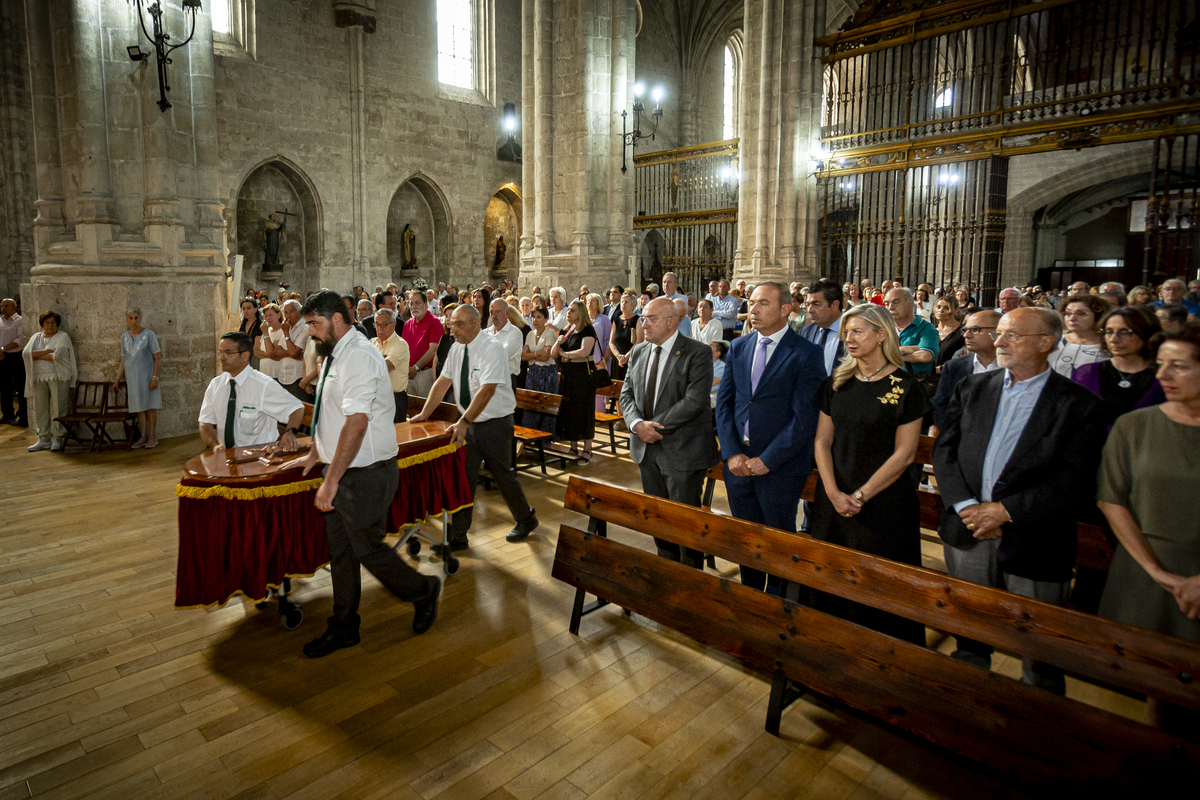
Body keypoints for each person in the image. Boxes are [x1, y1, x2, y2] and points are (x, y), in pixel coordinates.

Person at [932, 308, 1106, 694]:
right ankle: (967, 701)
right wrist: (965, 507)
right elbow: (945, 452)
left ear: (1046, 343)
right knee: (970, 632)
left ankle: (1037, 721)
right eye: (1000, 334)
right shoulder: (975, 387)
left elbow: (1075, 482)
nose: (999, 342)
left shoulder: (1078, 404)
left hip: (1036, 539)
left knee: (1039, 646)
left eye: (1012, 336)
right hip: (968, 529)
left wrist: (1004, 511)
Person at [293, 291, 441, 657]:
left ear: (337, 319)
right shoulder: (336, 351)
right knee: (342, 552)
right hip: (345, 467)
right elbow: (331, 412)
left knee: (366, 549)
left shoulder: (357, 355)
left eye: (315, 324)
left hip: (366, 472)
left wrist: (330, 480)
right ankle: (344, 626)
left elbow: (357, 423)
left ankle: (423, 590)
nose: (311, 332)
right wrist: (316, 451)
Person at [809, 304, 931, 645]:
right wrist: (833, 492)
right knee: (830, 578)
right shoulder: (837, 382)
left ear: (881, 335)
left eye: (858, 331)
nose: (849, 339)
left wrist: (861, 495)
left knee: (878, 587)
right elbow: (822, 440)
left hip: (883, 502)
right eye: (846, 332)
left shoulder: (905, 386)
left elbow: (904, 454)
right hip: (833, 496)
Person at [714, 282, 826, 595]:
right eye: (752, 302)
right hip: (739, 464)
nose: (754, 309)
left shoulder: (806, 353)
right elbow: (726, 405)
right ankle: (750, 596)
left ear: (785, 310)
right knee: (746, 540)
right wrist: (732, 453)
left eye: (764, 303)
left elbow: (804, 418)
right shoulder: (739, 346)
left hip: (780, 468)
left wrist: (768, 460)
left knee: (777, 541)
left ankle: (776, 602)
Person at [1096, 324, 1200, 645]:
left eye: (1178, 366)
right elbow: (1110, 499)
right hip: (1141, 566)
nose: (1162, 376)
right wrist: (1154, 570)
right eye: (1160, 365)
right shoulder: (1135, 425)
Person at [410, 304, 540, 549]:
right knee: (464, 479)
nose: (453, 330)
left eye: (459, 324)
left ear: (474, 323)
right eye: (451, 325)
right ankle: (458, 536)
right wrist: (424, 413)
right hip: (468, 424)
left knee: (502, 475)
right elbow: (442, 382)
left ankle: (526, 518)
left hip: (495, 424)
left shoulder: (493, 349)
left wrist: (463, 421)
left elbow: (487, 390)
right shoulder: (458, 350)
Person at [620, 297, 720, 567]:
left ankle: (690, 581)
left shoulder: (696, 352)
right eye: (643, 318)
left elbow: (694, 401)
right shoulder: (640, 351)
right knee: (657, 519)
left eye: (651, 318)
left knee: (685, 524)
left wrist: (654, 427)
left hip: (683, 451)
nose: (644, 323)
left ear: (672, 322)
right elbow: (626, 394)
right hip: (645, 448)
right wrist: (637, 425)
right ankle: (667, 573)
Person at [198, 332, 304, 452]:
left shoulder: (263, 385)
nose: (222, 357)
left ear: (245, 356)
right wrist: (216, 446)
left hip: (258, 458)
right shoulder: (216, 385)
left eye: (228, 353)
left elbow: (296, 407)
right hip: (227, 457)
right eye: (220, 352)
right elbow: (205, 423)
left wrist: (290, 432)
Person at [1070, 305, 1164, 428]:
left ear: (1146, 334)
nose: (1113, 339)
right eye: (1109, 332)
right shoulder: (1087, 373)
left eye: (1125, 333)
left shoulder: (1164, 375)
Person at [930, 310, 1001, 435]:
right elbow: (941, 407)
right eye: (965, 330)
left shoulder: (1015, 370)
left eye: (975, 330)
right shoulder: (953, 368)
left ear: (997, 332)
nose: (966, 335)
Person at [550, 300, 598, 463]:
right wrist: (558, 342)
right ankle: (573, 446)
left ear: (581, 313)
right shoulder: (566, 330)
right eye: (568, 311)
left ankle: (587, 449)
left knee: (584, 410)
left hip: (583, 376)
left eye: (572, 311)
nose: (568, 313)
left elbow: (584, 351)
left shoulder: (587, 330)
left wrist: (566, 354)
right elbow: (553, 354)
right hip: (568, 375)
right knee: (569, 411)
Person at [22, 311, 77, 452]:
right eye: (47, 322)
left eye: (53, 322)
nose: (50, 325)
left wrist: (36, 355)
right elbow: (26, 354)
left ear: (57, 324)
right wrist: (46, 351)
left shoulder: (62, 336)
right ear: (42, 324)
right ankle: (43, 438)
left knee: (59, 407)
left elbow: (57, 355)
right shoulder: (36, 337)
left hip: (58, 376)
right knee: (41, 407)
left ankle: (57, 438)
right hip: (39, 376)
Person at [112, 309, 162, 449]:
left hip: (147, 378)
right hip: (133, 379)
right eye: (130, 318)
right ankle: (143, 436)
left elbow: (157, 357)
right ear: (127, 320)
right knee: (140, 407)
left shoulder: (149, 335)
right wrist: (117, 379)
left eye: (136, 318)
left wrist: (154, 378)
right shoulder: (124, 337)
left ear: (140, 319)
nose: (133, 321)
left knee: (151, 406)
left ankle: (152, 436)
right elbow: (123, 360)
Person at [1049, 294, 1109, 376]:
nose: (1072, 318)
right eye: (1068, 313)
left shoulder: (1109, 345)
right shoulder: (1053, 342)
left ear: (1098, 316)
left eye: (1081, 313)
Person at [884, 287, 939, 375]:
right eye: (886, 303)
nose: (890, 307)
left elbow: (925, 355)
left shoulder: (926, 328)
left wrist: (889, 355)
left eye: (896, 302)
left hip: (913, 383)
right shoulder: (882, 327)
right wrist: (916, 348)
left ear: (910, 304)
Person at [522, 307, 559, 435]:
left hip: (547, 373)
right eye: (533, 317)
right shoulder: (530, 334)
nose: (535, 320)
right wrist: (538, 353)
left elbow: (546, 357)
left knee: (547, 407)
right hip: (532, 373)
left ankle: (546, 437)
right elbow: (523, 356)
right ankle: (530, 434)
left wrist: (532, 354)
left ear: (546, 319)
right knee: (531, 406)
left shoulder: (550, 334)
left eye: (538, 317)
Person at [370, 308, 410, 422]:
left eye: (384, 324)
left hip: (394, 398)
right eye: (377, 324)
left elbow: (384, 367)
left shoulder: (400, 344)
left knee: (396, 436)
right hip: (376, 397)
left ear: (394, 324)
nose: (380, 328)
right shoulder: (372, 343)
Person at [402, 292, 444, 398]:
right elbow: (404, 349)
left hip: (425, 374)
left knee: (425, 409)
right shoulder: (408, 324)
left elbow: (433, 350)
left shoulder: (434, 322)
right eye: (411, 303)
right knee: (410, 409)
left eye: (417, 303)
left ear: (425, 304)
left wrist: (415, 368)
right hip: (409, 374)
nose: (413, 306)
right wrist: (407, 368)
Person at [800, 279, 845, 376]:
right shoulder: (806, 331)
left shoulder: (853, 331)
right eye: (808, 304)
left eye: (816, 304)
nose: (810, 310)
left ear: (834, 305)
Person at [0, 297, 28, 427]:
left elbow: (20, 339)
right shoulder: (0, 320)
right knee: (4, 386)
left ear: (14, 307)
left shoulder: (20, 321)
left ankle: (23, 415)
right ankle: (7, 414)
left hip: (16, 356)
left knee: (20, 385)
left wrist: (3, 349)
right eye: (1, 306)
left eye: (6, 306)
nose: (3, 308)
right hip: (2, 357)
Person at [485, 298, 523, 390]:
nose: (494, 316)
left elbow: (502, 355)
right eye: (491, 312)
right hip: (486, 379)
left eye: (498, 312)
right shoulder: (484, 333)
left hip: (506, 381)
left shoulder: (515, 333)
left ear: (507, 312)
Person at [276, 299, 309, 402]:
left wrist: (286, 334)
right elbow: (277, 351)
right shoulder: (287, 325)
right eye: (285, 312)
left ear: (299, 311)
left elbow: (295, 352)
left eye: (292, 311)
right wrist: (291, 353)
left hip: (297, 377)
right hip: (283, 376)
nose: (288, 315)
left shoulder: (304, 327)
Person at [608, 294, 642, 381]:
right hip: (617, 360)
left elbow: (639, 341)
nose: (623, 304)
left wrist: (626, 357)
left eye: (626, 302)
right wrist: (619, 356)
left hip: (631, 359)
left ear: (633, 305)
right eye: (622, 302)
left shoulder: (638, 320)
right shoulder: (616, 320)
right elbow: (611, 342)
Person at [254, 303, 287, 380]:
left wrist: (265, 333)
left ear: (279, 315)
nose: (268, 318)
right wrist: (271, 355)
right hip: (264, 373)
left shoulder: (282, 331)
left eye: (270, 315)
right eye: (266, 316)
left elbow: (275, 355)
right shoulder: (267, 330)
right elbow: (257, 352)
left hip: (276, 374)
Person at [931, 294, 964, 370]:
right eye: (938, 307)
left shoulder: (962, 332)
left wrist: (938, 370)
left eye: (946, 308)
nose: (941, 311)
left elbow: (963, 360)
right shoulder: (930, 330)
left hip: (951, 375)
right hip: (926, 376)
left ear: (956, 311)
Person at [239, 299, 263, 368]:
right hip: (244, 357)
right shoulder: (243, 325)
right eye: (244, 309)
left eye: (249, 308)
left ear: (255, 309)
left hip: (255, 357)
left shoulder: (259, 325)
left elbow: (257, 346)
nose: (246, 311)